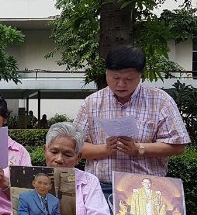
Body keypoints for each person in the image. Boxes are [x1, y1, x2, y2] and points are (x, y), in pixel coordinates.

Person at [74, 45, 190, 200]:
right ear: (106, 73)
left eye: (129, 79)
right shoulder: (92, 102)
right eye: (115, 78)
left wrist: (139, 148)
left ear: (140, 75)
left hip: (147, 188)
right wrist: (105, 149)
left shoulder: (160, 100)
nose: (121, 84)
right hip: (100, 188)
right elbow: (75, 146)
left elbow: (178, 146)